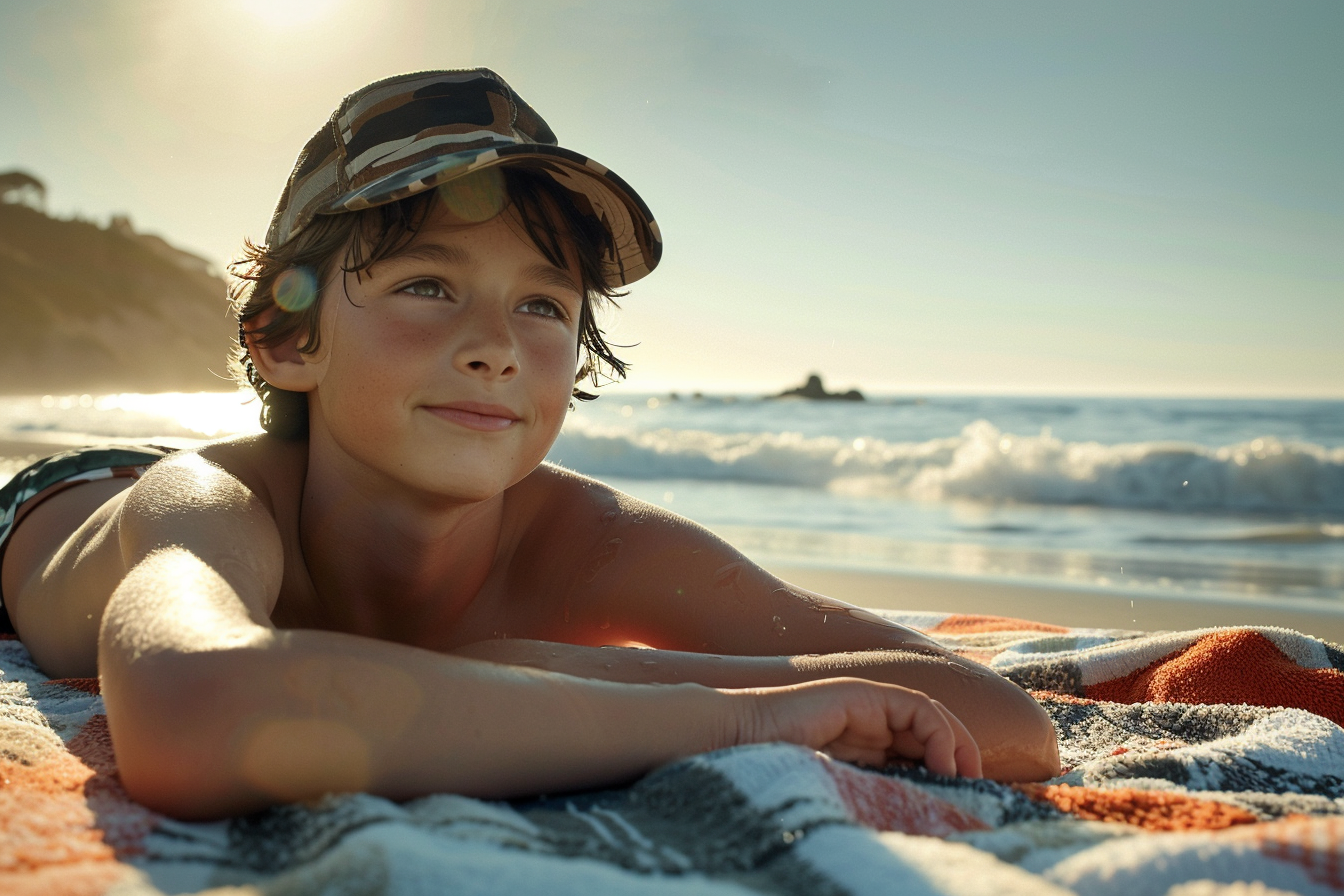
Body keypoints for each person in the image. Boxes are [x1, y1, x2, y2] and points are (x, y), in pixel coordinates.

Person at [0, 69, 1057, 820]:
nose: (496, 347)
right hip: (68, 504)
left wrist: (539, 669)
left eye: (544, 304)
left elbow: (1000, 720)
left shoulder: (588, 539)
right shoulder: (208, 503)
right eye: (427, 284)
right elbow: (193, 713)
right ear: (287, 339)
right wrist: (731, 719)